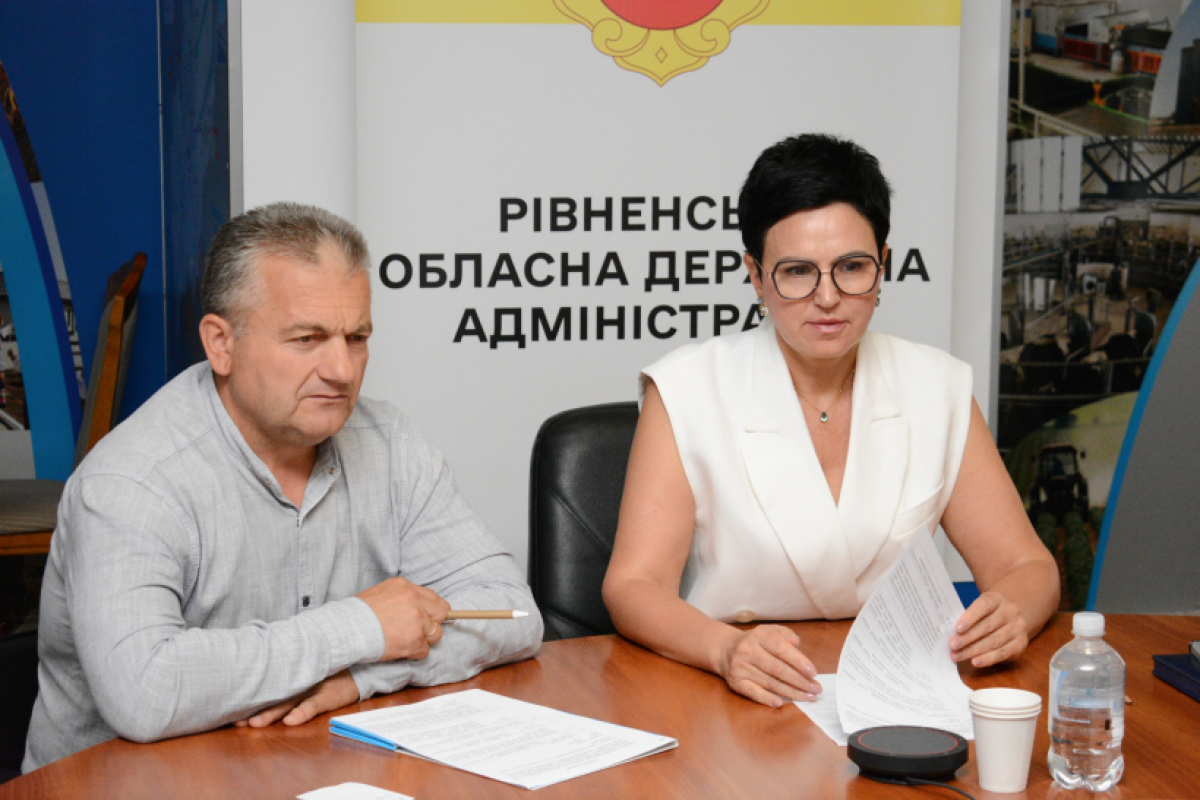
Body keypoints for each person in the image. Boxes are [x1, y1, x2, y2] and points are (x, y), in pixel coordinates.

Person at [24, 203, 543, 771]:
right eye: (307, 338)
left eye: (357, 337)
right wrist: (364, 627)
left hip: (310, 771)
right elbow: (144, 691)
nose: (343, 370)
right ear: (221, 344)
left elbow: (514, 614)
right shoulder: (134, 480)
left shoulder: (390, 442)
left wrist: (363, 676)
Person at [602, 134, 1059, 709]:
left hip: (902, 686)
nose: (827, 297)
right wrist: (723, 649)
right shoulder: (687, 389)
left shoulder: (936, 385)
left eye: (852, 268)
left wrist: (1013, 611)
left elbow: (1026, 565)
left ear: (883, 265)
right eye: (797, 272)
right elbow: (633, 586)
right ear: (756, 276)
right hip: (734, 690)